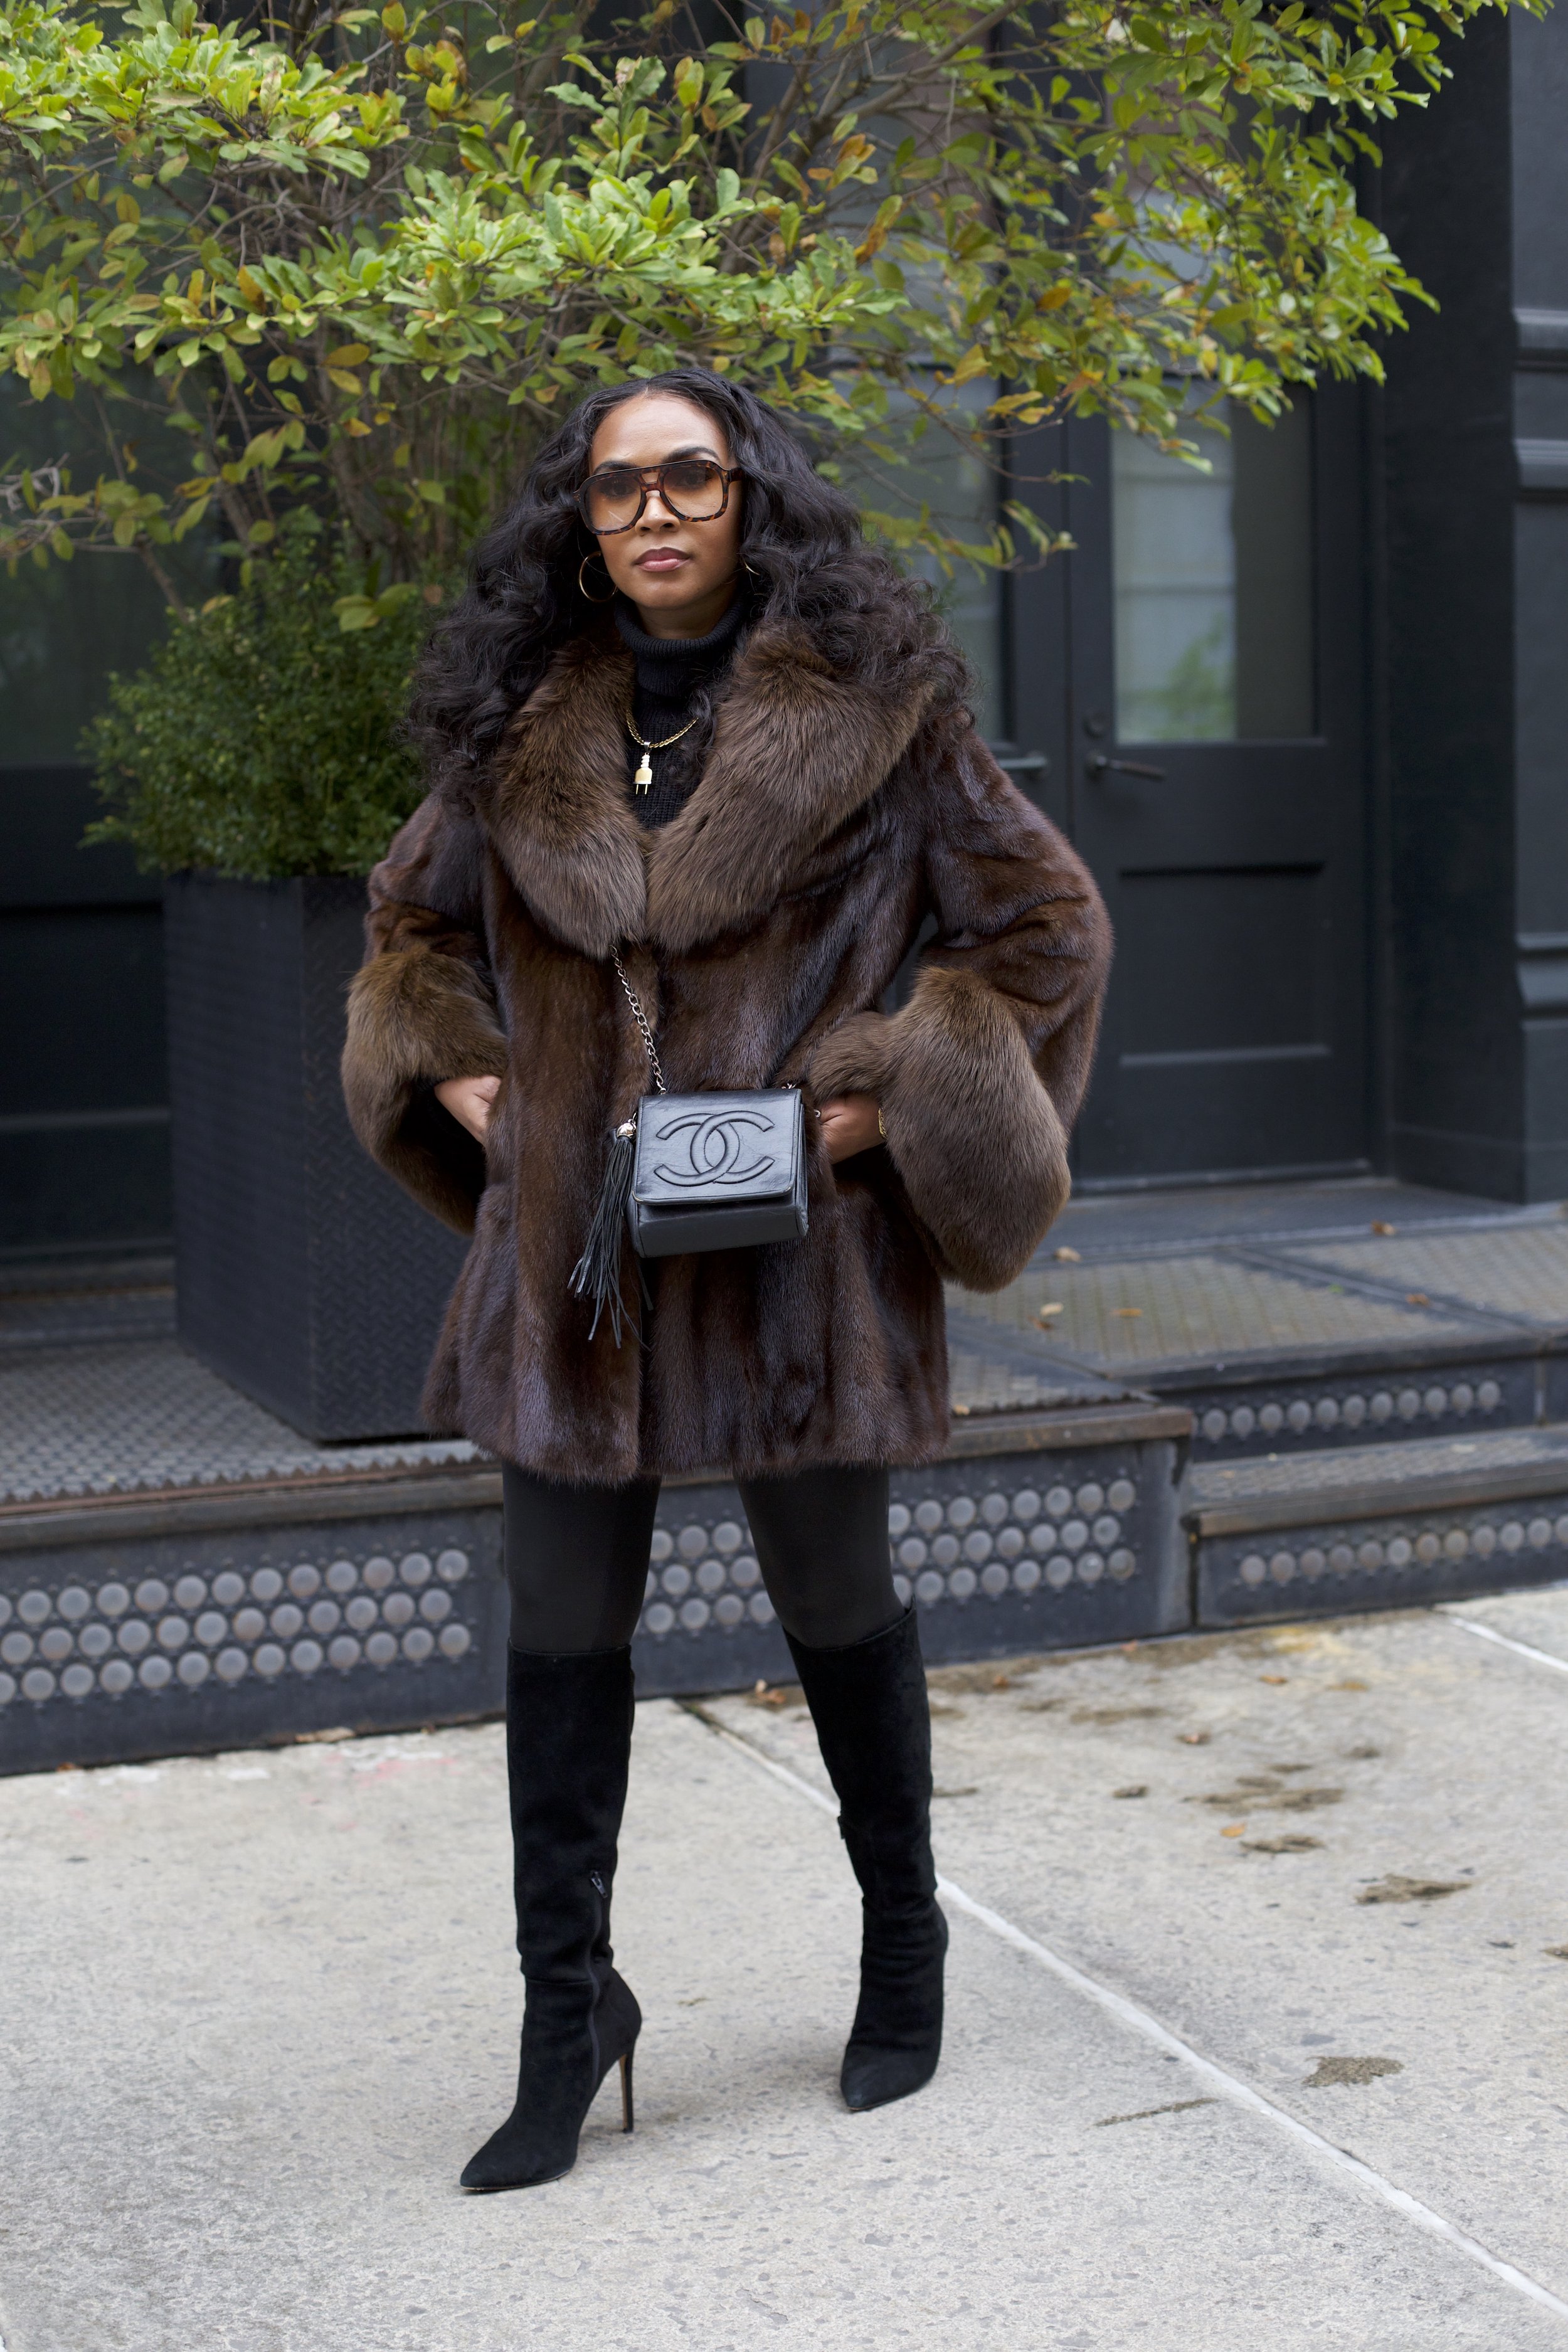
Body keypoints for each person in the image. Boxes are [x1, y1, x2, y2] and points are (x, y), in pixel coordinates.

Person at [341, 368, 1111, 2193]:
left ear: (752, 494)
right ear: (582, 520)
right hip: (573, 1265)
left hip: (797, 1256)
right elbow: (410, 924)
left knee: (838, 1605)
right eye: (619, 486)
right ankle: (565, 2013)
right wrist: (466, 1078)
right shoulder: (518, 724)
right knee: (556, 1631)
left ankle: (903, 1949)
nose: (656, 512)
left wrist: (873, 1107)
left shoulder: (883, 713)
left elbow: (1046, 929)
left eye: (690, 475)